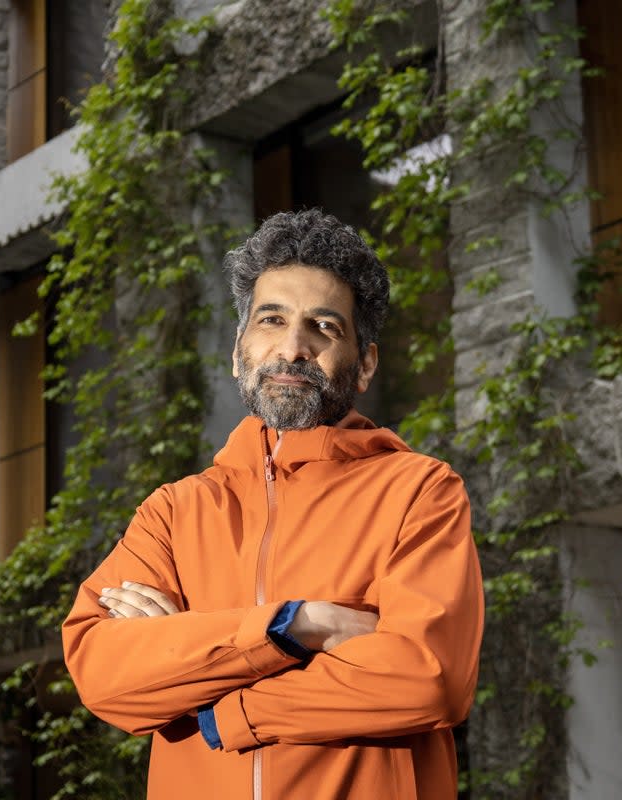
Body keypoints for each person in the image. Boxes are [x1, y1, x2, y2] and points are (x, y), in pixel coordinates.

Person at [62, 209, 484, 799]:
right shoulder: (172, 513)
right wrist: (300, 626)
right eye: (272, 319)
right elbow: (104, 675)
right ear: (239, 352)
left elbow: (428, 677)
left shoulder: (419, 490)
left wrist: (221, 703)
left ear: (364, 364)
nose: (293, 347)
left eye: (325, 327)